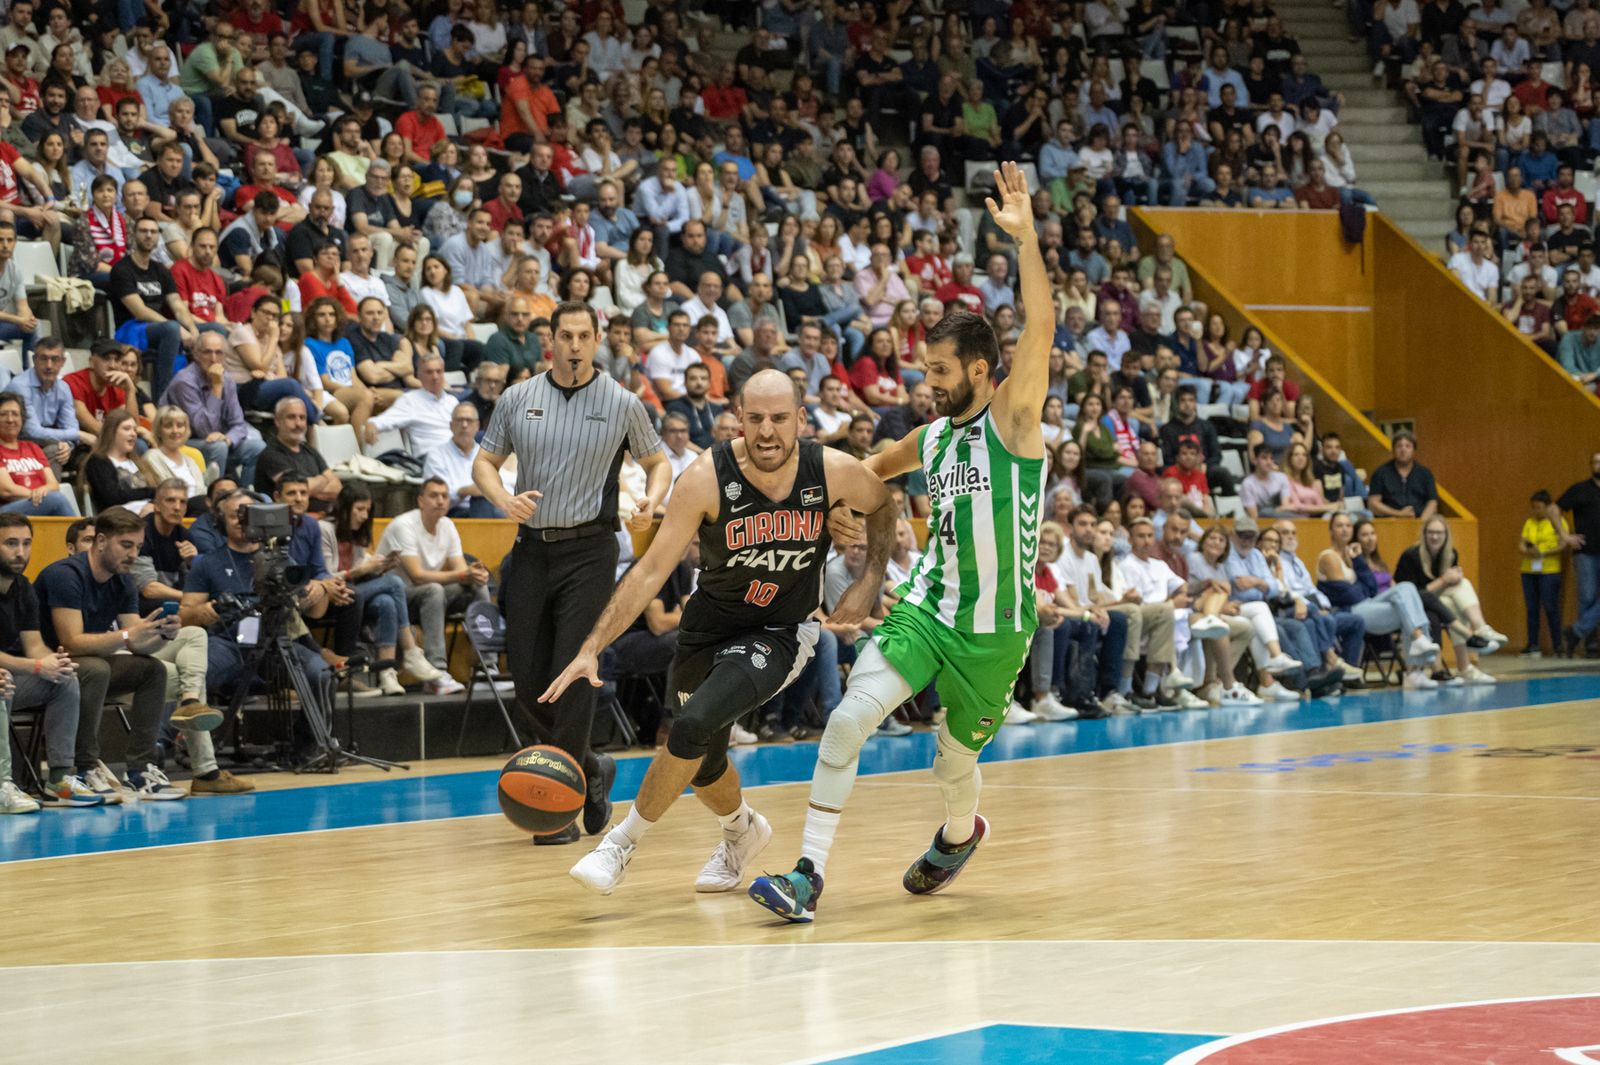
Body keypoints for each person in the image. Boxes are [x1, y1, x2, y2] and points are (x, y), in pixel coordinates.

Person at [749, 163, 1052, 921]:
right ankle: (806, 875)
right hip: (928, 608)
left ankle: (958, 835)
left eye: (941, 372)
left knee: (955, 763)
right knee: (851, 716)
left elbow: (1041, 328)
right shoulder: (931, 438)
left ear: (982, 371)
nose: (927, 382)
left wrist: (1027, 242)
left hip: (995, 630)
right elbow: (862, 472)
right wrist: (810, 492)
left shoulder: (1014, 423)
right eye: (924, 369)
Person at [548, 369, 894, 894]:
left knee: (689, 726)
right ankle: (741, 832)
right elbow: (648, 571)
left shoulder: (833, 472)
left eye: (780, 418)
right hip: (707, 629)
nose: (768, 431)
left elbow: (885, 504)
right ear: (736, 419)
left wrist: (870, 579)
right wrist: (592, 647)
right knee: (703, 759)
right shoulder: (706, 477)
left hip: (780, 630)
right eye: (755, 419)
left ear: (801, 419)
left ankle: (620, 843)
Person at [473, 301, 673, 845]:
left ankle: (559, 808)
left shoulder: (622, 402)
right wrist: (501, 500)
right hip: (531, 549)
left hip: (591, 550)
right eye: (566, 336)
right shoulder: (518, 398)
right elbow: (484, 463)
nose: (576, 346)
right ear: (551, 342)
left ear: (597, 340)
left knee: (575, 668)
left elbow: (659, 463)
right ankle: (591, 768)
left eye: (585, 336)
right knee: (528, 681)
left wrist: (651, 503)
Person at [38, 507, 225, 799]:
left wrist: (162, 633)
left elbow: (137, 644)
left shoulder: (123, 580)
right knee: (96, 669)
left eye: (138, 547)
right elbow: (71, 642)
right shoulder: (66, 575)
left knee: (152, 669)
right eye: (126, 545)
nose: (133, 554)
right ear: (100, 541)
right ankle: (86, 767)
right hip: (51, 665)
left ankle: (140, 771)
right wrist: (128, 635)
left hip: (90, 663)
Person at [0, 513, 92, 808]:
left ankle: (59, 779)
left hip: (10, 676)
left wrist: (54, 662)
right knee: (3, 684)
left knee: (64, 679)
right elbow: (31, 661)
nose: (20, 552)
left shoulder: (23, 588)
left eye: (26, 543)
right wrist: (37, 666)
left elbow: (34, 645)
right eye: (11, 543)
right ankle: (3, 784)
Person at [320, 482, 443, 694]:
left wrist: (380, 567)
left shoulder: (357, 534)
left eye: (367, 510)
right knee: (395, 583)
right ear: (345, 507)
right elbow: (326, 578)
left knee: (386, 602)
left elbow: (359, 572)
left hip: (354, 595)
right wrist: (360, 570)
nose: (364, 515)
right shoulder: (325, 529)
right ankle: (410, 651)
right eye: (359, 509)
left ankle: (387, 673)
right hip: (330, 598)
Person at [372, 478, 479, 696]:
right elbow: (418, 576)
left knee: (477, 586)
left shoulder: (447, 525)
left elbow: (460, 570)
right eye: (434, 495)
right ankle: (436, 672)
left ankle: (487, 668)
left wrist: (473, 575)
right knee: (433, 589)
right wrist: (461, 574)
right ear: (420, 500)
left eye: (444, 495)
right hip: (397, 598)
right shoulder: (403, 525)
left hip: (429, 599)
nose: (440, 501)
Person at [1395, 516, 1508, 683]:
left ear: (1446, 535)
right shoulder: (1411, 556)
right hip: (1413, 605)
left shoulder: (1451, 554)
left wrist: (1453, 579)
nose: (1435, 537)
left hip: (1437, 600)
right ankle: (1466, 656)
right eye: (1431, 532)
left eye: (1439, 533)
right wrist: (1443, 580)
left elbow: (1446, 588)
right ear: (1424, 534)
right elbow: (1409, 594)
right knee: (1440, 612)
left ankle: (1481, 628)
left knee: (1461, 587)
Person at [159, 329, 266, 489]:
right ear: (196, 355)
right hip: (181, 441)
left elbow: (238, 424)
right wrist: (216, 387)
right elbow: (204, 430)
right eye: (207, 352)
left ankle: (245, 497)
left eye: (218, 353)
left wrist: (228, 439)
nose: (213, 358)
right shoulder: (185, 381)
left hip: (218, 440)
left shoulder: (227, 379)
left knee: (257, 447)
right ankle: (216, 497)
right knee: (218, 447)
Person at [108, 215, 199, 399]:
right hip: (131, 328)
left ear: (159, 237)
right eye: (143, 231)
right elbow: (139, 311)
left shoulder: (161, 270)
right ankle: (163, 398)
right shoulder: (122, 269)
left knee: (214, 330)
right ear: (133, 235)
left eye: (153, 232)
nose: (149, 236)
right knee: (172, 329)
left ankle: (196, 396)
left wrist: (192, 328)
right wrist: (179, 329)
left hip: (159, 327)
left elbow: (178, 305)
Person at [0, 391, 74, 515]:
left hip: (39, 503)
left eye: (15, 414)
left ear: (22, 419)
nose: (10, 419)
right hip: (7, 511)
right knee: (57, 500)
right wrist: (37, 494)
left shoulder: (32, 447)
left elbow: (53, 485)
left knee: (56, 500)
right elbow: (7, 490)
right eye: (3, 414)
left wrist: (43, 491)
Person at [1520, 489, 1565, 656]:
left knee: (1550, 607)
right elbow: (1522, 543)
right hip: (1529, 570)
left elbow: (1563, 543)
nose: (1535, 511)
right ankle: (1532, 643)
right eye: (1533, 507)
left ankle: (1558, 645)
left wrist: (1544, 552)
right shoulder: (1529, 523)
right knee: (1532, 608)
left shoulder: (1556, 522)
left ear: (1547, 507)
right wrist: (1529, 550)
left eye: (1539, 507)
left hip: (1549, 570)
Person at [1367, 430, 1439, 519]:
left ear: (1414, 450)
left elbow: (1432, 503)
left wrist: (1421, 524)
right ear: (1393, 450)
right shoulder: (1380, 473)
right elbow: (1373, 503)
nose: (1403, 449)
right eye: (1399, 446)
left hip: (1419, 521)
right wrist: (1399, 514)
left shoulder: (1425, 474)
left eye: (1408, 446)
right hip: (1390, 523)